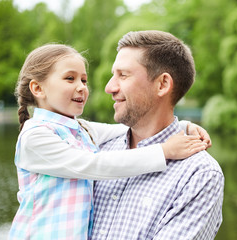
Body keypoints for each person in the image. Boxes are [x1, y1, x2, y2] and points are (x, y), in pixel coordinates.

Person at [9, 43, 211, 239]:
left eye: (84, 80)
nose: (81, 87)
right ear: (37, 88)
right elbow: (94, 164)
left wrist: (182, 126)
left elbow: (126, 128)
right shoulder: (35, 137)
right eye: (70, 79)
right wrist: (164, 151)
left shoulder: (81, 129)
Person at [91, 30, 224, 240]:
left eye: (123, 75)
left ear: (162, 84)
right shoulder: (96, 149)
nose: (109, 87)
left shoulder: (200, 175)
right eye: (113, 75)